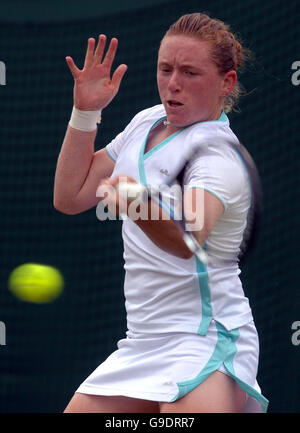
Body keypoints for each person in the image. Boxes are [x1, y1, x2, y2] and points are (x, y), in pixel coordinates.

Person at [54, 12, 269, 413]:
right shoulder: (147, 120)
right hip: (142, 342)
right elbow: (70, 196)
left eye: (190, 73)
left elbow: (189, 241)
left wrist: (135, 203)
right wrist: (84, 114)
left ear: (227, 83)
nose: (173, 84)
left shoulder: (218, 154)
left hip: (207, 339)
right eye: (165, 69)